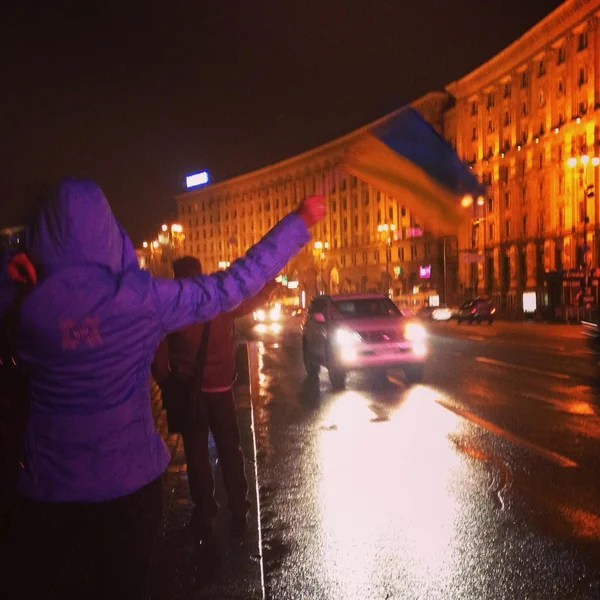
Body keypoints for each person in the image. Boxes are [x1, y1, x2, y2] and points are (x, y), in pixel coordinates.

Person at [0, 178, 325, 600]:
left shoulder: (20, 302)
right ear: (108, 231)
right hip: (129, 485)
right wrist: (297, 222)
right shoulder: (142, 298)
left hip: (47, 485)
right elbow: (234, 284)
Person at [151, 258, 276, 569]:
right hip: (220, 390)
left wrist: (165, 378)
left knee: (196, 454)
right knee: (230, 450)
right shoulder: (218, 300)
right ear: (202, 272)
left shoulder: (174, 306)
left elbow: (159, 347)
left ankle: (205, 510)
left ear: (177, 276)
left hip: (189, 393)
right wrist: (271, 283)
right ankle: (238, 506)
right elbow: (251, 300)